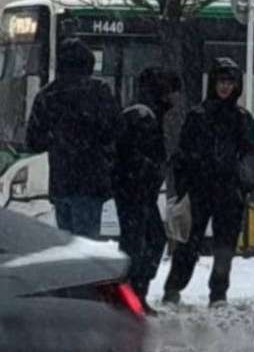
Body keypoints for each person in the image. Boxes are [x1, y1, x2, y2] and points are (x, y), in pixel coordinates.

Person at [162, 58, 254, 308]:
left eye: (230, 82)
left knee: (224, 247)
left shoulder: (241, 119)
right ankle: (174, 288)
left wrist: (243, 183)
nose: (225, 87)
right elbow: (183, 154)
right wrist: (184, 186)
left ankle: (218, 293)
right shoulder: (199, 116)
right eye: (221, 82)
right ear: (213, 83)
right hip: (200, 190)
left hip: (228, 192)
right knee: (188, 244)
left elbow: (249, 155)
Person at [25, 38, 120, 237]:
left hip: (61, 182)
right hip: (91, 183)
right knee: (86, 246)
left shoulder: (48, 95)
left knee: (68, 245)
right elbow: (113, 132)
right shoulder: (99, 92)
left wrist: (58, 140)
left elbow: (34, 141)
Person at [113, 67, 181, 314]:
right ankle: (132, 294)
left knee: (141, 242)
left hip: (133, 191)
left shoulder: (141, 111)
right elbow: (138, 159)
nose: (176, 98)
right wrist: (152, 173)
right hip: (137, 193)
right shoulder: (143, 116)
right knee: (143, 243)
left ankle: (133, 294)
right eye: (173, 92)